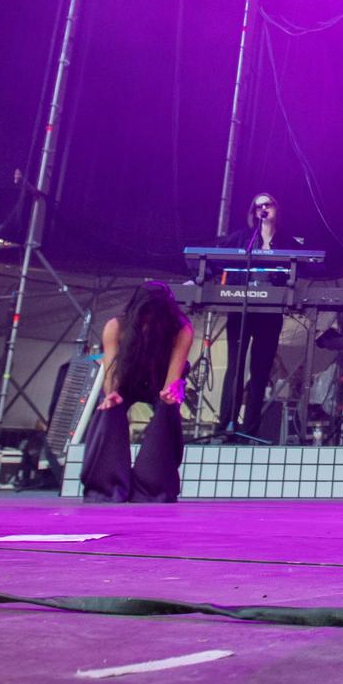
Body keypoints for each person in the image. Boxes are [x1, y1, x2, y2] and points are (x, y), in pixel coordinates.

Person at [81, 280, 193, 503]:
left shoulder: (182, 329)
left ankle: (152, 488)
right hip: (127, 378)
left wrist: (169, 394)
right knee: (109, 409)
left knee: (166, 412)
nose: (149, 321)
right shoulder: (115, 326)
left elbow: (174, 372)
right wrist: (111, 393)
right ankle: (108, 487)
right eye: (145, 315)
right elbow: (110, 368)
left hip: (159, 380)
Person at [218, 192, 285, 438]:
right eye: (258, 207)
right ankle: (226, 424)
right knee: (235, 367)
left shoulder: (285, 240)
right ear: (253, 212)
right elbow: (216, 257)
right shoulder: (242, 239)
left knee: (261, 369)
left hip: (269, 312)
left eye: (268, 205)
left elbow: (306, 264)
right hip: (241, 308)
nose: (263, 209)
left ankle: (251, 428)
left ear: (276, 209)